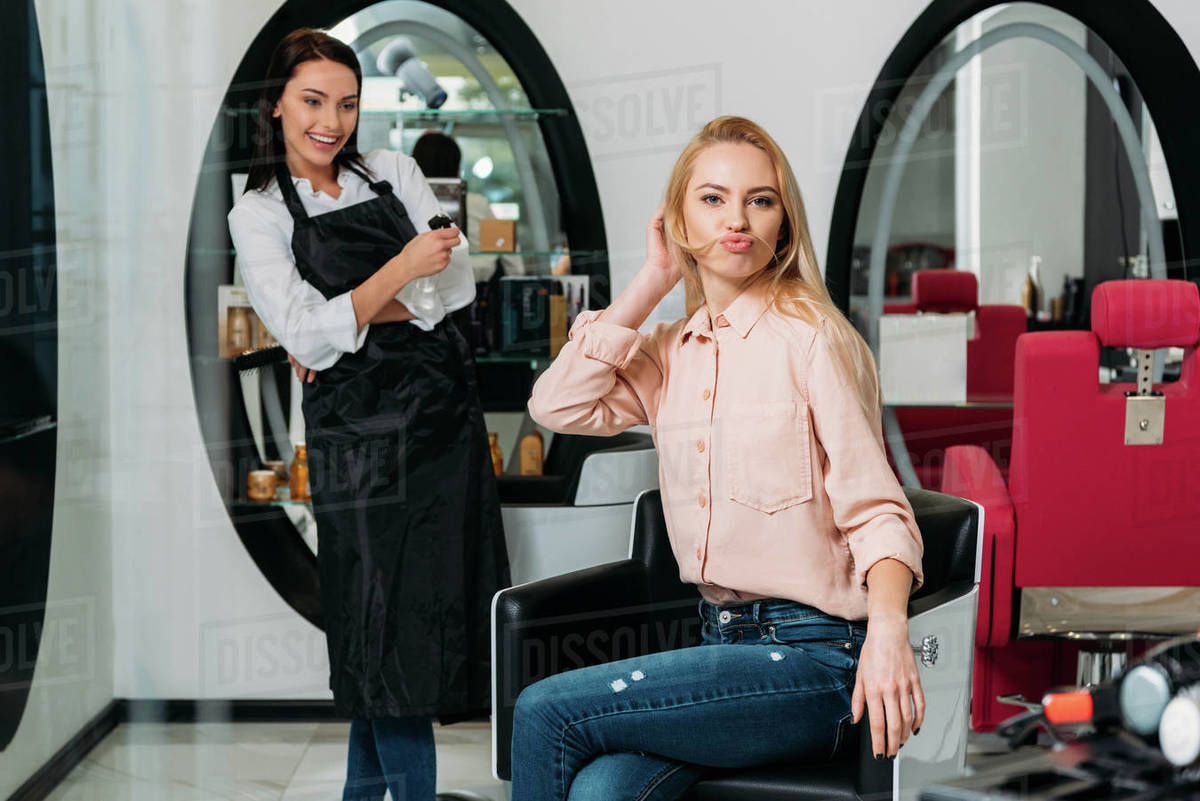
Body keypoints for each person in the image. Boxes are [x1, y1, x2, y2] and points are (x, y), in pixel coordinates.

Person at [514, 116, 926, 801]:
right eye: (712, 198)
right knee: (602, 790)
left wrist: (888, 633)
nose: (737, 218)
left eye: (760, 200)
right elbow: (557, 405)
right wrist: (652, 278)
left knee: (545, 710)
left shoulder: (813, 340)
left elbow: (880, 510)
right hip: (720, 650)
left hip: (814, 660)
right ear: (677, 219)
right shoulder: (670, 351)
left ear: (783, 224)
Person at [226, 28, 509, 801]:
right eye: (313, 100)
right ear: (277, 103)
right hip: (356, 438)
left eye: (348, 103)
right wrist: (397, 277)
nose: (332, 120)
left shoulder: (394, 171)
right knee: (377, 624)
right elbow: (299, 328)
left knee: (406, 627)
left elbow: (451, 296)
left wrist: (350, 315)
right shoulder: (255, 212)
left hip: (440, 420)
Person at [410, 130, 499, 283]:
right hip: (473, 287)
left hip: (419, 287)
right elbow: (502, 249)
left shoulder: (405, 205)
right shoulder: (478, 204)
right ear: (457, 167)